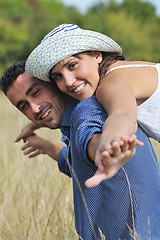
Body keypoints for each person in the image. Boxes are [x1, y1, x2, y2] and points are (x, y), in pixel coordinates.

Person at [1, 61, 160, 239]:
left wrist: (103, 150)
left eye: (36, 92)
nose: (35, 108)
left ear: (55, 83)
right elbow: (82, 166)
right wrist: (48, 147)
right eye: (23, 106)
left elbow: (92, 143)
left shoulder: (88, 110)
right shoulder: (76, 121)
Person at [24, 23, 160, 173]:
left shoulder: (110, 84)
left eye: (72, 65)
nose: (68, 81)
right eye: (58, 76)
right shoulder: (114, 72)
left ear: (96, 54)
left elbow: (123, 114)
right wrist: (36, 125)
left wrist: (110, 140)